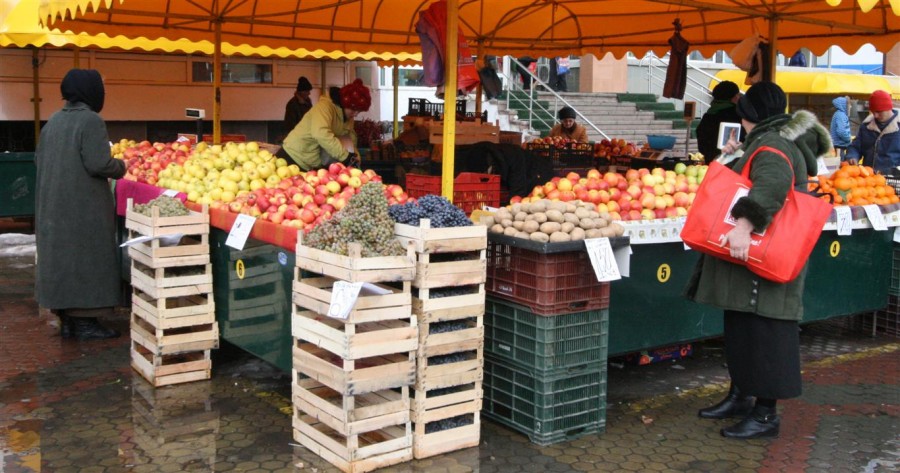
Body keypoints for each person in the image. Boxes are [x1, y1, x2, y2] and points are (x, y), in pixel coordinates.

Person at [686, 81, 833, 440]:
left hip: (766, 254)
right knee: (743, 330)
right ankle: (741, 396)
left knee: (767, 335)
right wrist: (732, 155)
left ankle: (765, 415)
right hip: (757, 260)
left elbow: (771, 185)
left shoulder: (772, 144)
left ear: (749, 114)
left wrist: (743, 226)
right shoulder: (768, 140)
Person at [35, 68, 126, 341]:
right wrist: (121, 166)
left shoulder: (53, 121)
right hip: (82, 207)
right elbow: (98, 163)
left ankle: (67, 321)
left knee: (62, 261)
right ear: (91, 92)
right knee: (87, 258)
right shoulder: (90, 121)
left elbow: (39, 160)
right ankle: (85, 322)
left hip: (53, 205)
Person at [278, 79, 369, 171]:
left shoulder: (348, 116)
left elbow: (349, 137)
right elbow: (321, 133)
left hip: (310, 163)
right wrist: (345, 156)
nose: (356, 114)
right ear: (344, 104)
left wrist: (355, 157)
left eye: (359, 111)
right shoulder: (325, 107)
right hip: (293, 157)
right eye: (353, 109)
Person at [844, 89, 900, 174]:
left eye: (879, 112)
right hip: (868, 178)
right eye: (873, 112)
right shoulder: (866, 126)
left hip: (892, 178)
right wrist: (852, 156)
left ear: (888, 108)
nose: (876, 116)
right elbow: (855, 147)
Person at [695, 81, 743, 163]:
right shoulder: (737, 115)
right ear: (734, 97)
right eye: (738, 95)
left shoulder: (708, 115)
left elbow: (701, 140)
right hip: (732, 164)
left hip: (711, 162)